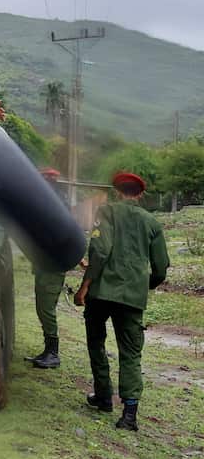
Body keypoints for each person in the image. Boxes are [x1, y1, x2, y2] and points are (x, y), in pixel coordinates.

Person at [74, 171, 170, 431]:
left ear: (117, 191)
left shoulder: (105, 212)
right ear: (139, 194)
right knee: (130, 353)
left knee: (96, 341)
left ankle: (103, 397)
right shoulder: (151, 222)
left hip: (102, 293)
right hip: (132, 298)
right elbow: (161, 268)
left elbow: (100, 250)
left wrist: (84, 286)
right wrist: (142, 286)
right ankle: (129, 415)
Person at [25, 168, 68, 369]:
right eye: (46, 177)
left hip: (53, 266)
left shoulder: (57, 204)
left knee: (47, 310)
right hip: (45, 265)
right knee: (42, 309)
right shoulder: (48, 203)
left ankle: (53, 353)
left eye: (51, 178)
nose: (48, 180)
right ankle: (48, 350)